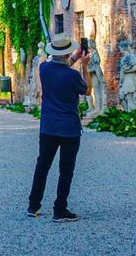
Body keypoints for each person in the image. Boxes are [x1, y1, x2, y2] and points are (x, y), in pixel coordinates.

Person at [27, 33, 90, 222]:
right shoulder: (73, 76)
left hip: (48, 126)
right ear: (67, 52)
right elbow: (86, 89)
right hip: (69, 128)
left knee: (42, 165)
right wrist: (84, 65)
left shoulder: (44, 68)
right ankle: (59, 209)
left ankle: (33, 205)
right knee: (66, 169)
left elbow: (59, 69)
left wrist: (75, 59)